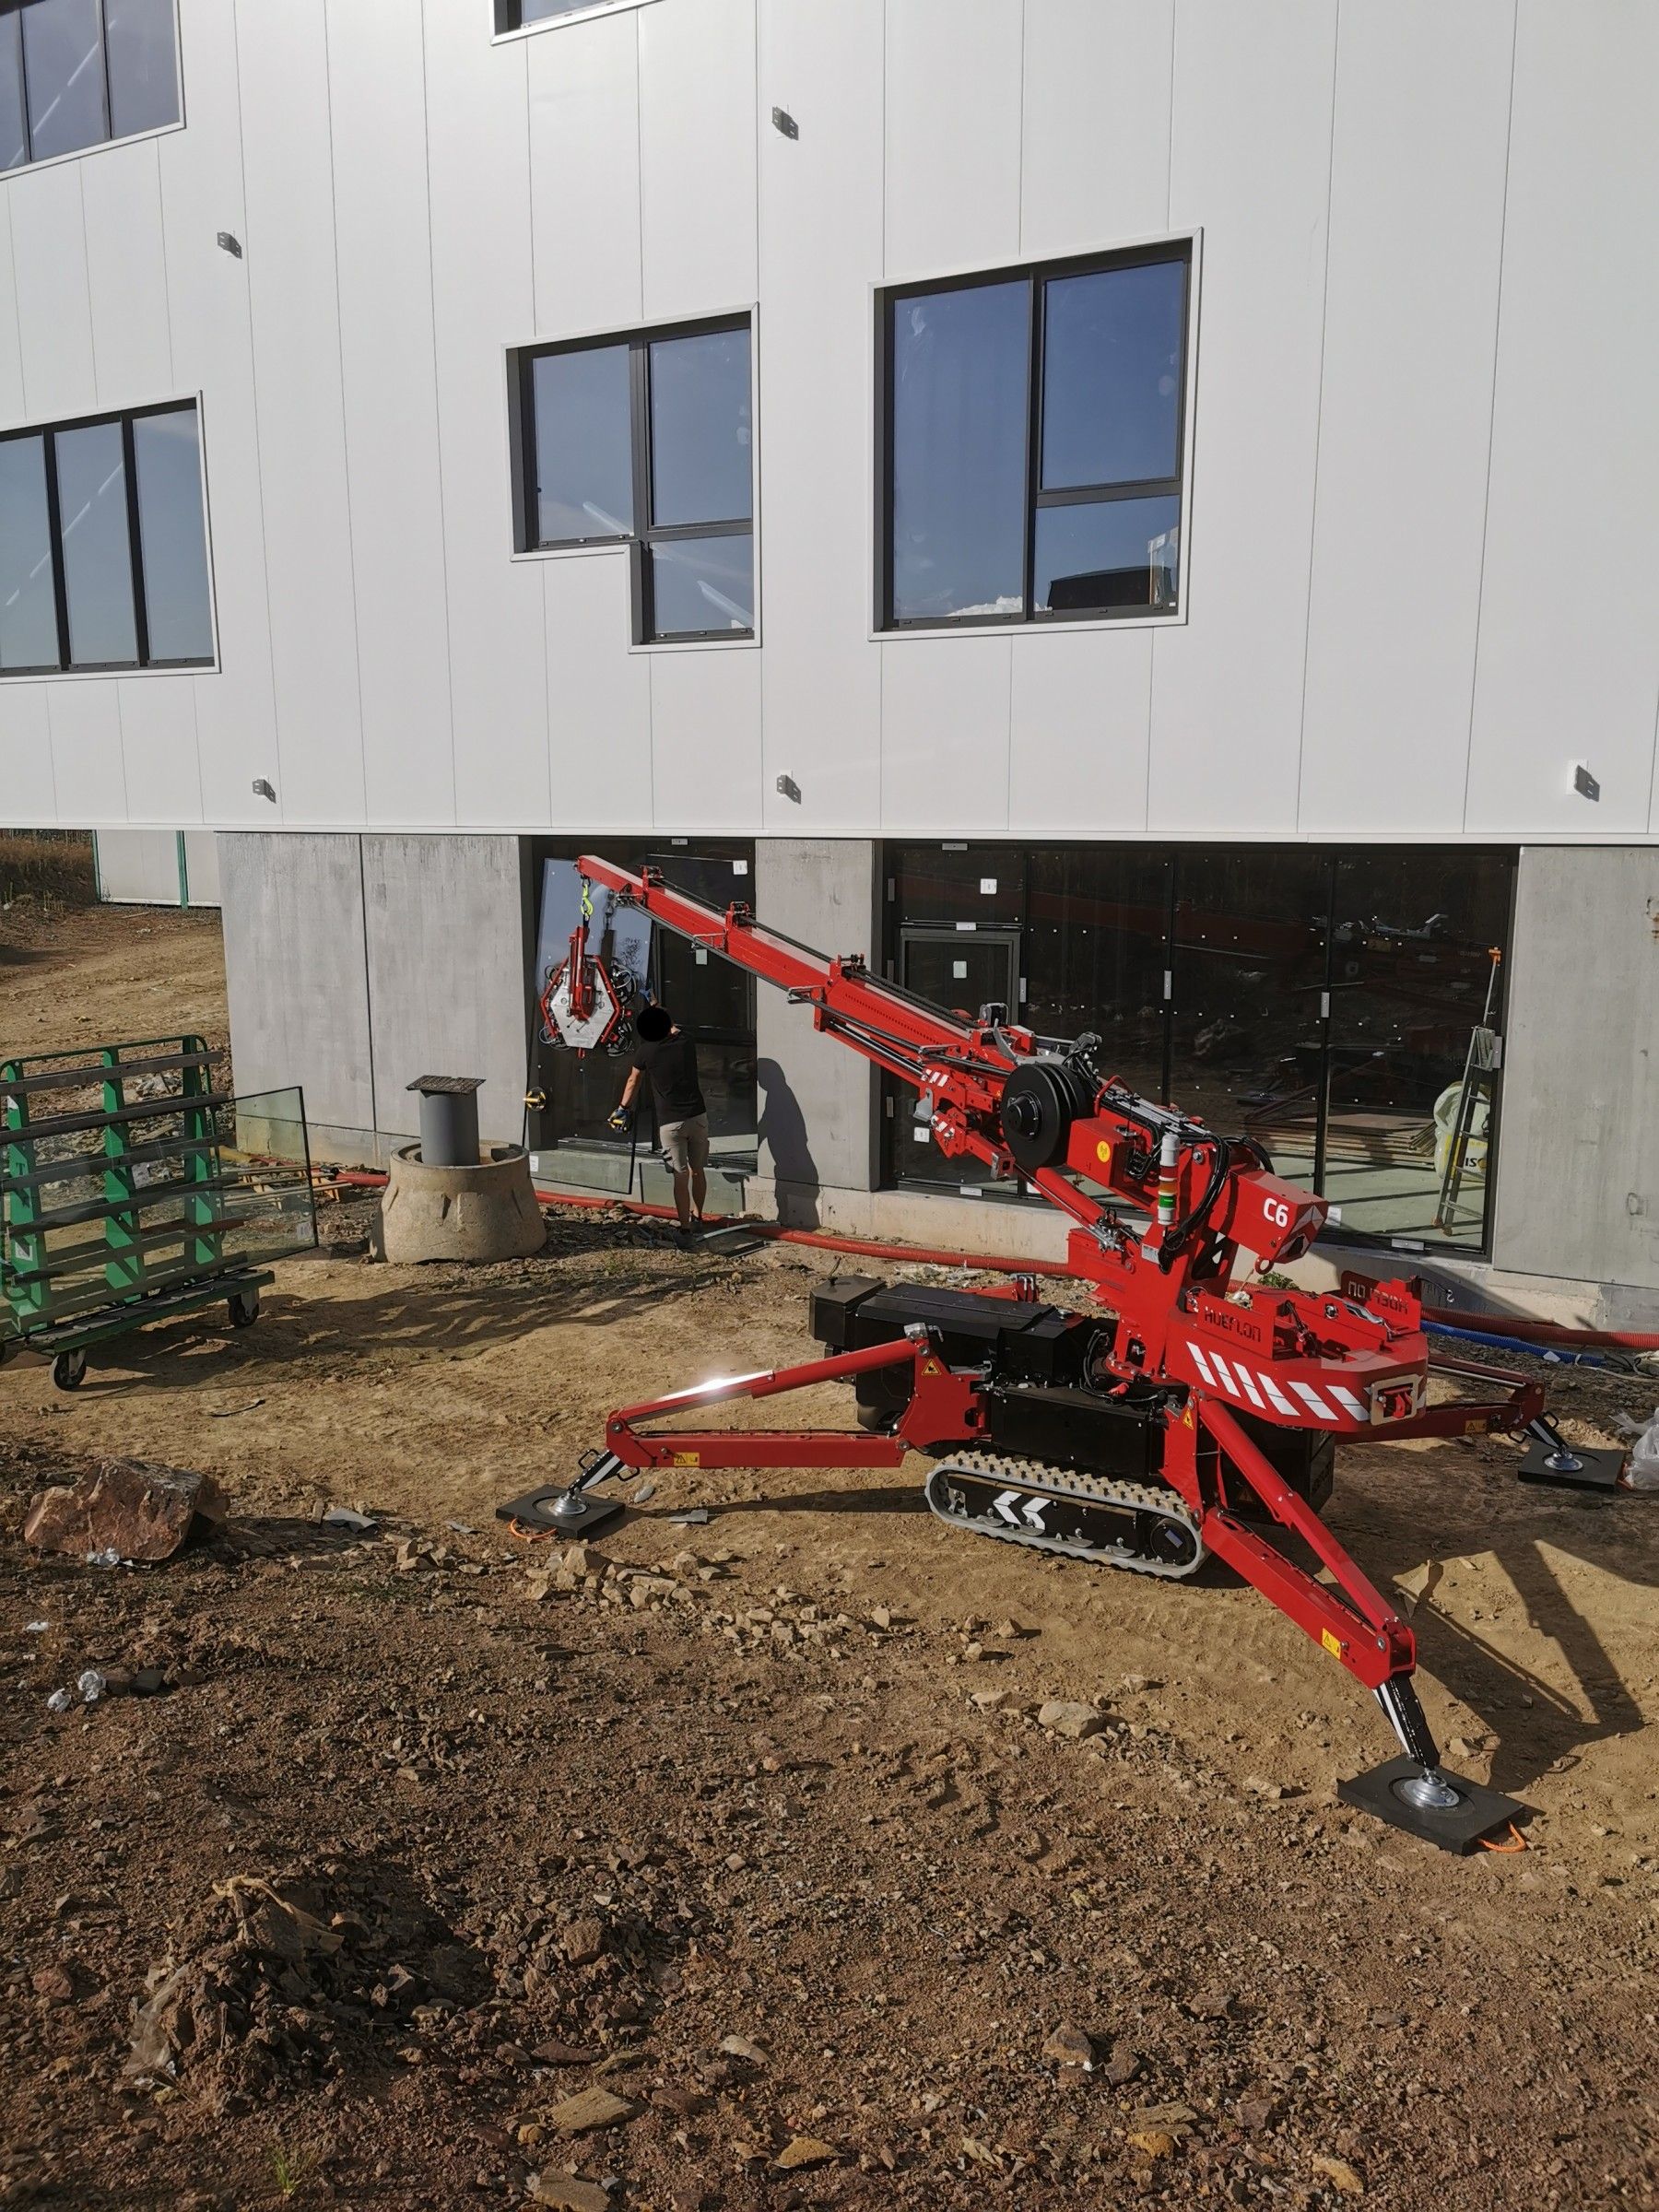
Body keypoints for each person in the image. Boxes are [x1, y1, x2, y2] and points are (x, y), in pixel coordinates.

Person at [611, 1004, 709, 1240]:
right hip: (697, 1117)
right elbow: (674, 1029)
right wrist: (660, 1010)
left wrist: (622, 1108)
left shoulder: (646, 1052)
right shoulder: (686, 1042)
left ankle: (685, 1228)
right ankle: (698, 1217)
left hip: (670, 1123)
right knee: (698, 1171)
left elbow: (633, 1081)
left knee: (680, 1174)